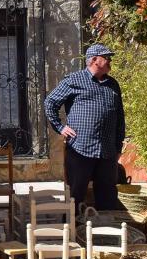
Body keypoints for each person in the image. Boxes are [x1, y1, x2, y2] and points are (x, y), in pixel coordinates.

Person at [44, 44, 125, 211]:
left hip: (107, 151)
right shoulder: (74, 80)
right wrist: (60, 127)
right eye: (106, 57)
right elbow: (50, 102)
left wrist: (119, 146)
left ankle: (106, 231)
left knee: (108, 195)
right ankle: (73, 231)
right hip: (81, 149)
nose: (110, 61)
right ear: (94, 60)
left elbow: (119, 117)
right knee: (76, 194)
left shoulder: (113, 84)